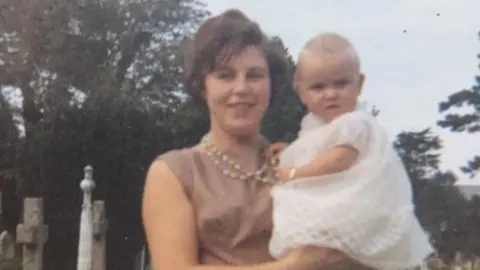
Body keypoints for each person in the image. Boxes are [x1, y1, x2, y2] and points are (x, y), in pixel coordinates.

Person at [142, 9, 373, 270]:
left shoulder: (303, 163)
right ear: (201, 86)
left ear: (270, 84)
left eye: (254, 75)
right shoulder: (174, 173)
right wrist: (293, 266)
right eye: (225, 76)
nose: (241, 88)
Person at [267, 33, 434, 269]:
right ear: (301, 91)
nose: (331, 93)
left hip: (355, 205)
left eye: (341, 83)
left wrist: (293, 172)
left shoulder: (354, 122)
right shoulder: (315, 125)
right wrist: (291, 151)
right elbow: (317, 147)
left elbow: (337, 160)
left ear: (360, 83)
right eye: (318, 87)